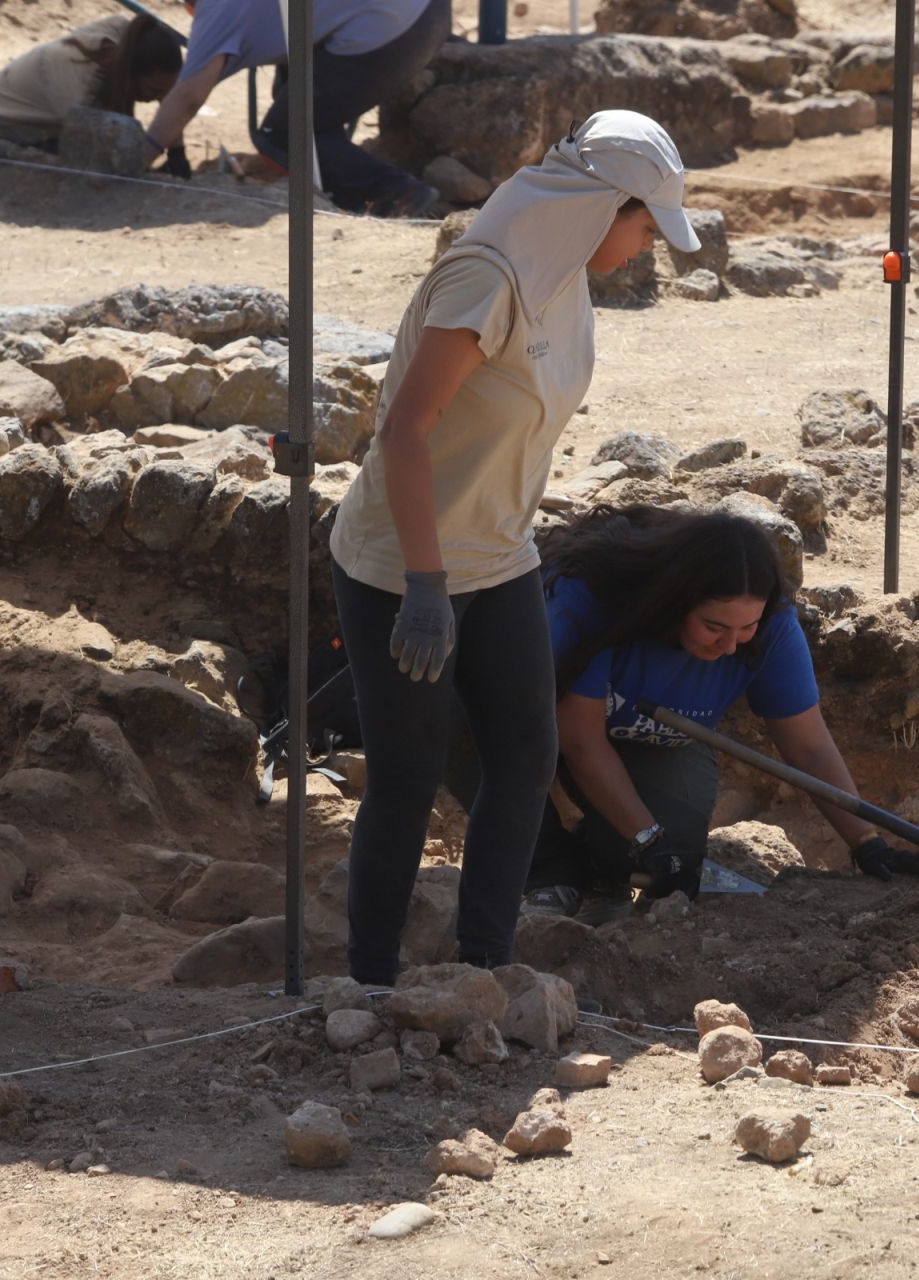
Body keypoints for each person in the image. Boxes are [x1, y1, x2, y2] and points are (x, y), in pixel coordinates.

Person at [327, 110, 704, 984]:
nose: (647, 245)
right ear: (601, 206)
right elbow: (407, 434)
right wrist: (425, 585)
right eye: (644, 224)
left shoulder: (561, 271)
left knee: (528, 757)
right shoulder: (484, 280)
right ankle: (372, 983)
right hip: (403, 566)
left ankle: (483, 968)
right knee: (408, 779)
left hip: (498, 554)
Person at [522, 506, 919, 923]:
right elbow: (580, 741)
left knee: (677, 854)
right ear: (675, 601)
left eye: (746, 629)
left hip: (646, 740)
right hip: (538, 720)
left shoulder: (774, 627)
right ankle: (544, 866)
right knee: (498, 737)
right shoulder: (595, 600)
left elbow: (809, 746)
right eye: (713, 627)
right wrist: (646, 838)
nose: (729, 647)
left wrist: (866, 841)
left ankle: (599, 869)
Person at [143, 0, 448, 215]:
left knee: (285, 132)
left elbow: (186, 97)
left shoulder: (218, 10)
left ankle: (399, 194)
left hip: (399, 31)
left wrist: (138, 156)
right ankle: (334, 182)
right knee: (294, 95)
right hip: (427, 12)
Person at [0, 14, 183, 154]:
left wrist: (176, 151)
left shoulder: (127, 35)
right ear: (131, 75)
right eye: (154, 91)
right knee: (65, 172)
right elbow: (97, 157)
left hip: (44, 129)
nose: (157, 99)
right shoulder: (84, 89)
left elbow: (167, 93)